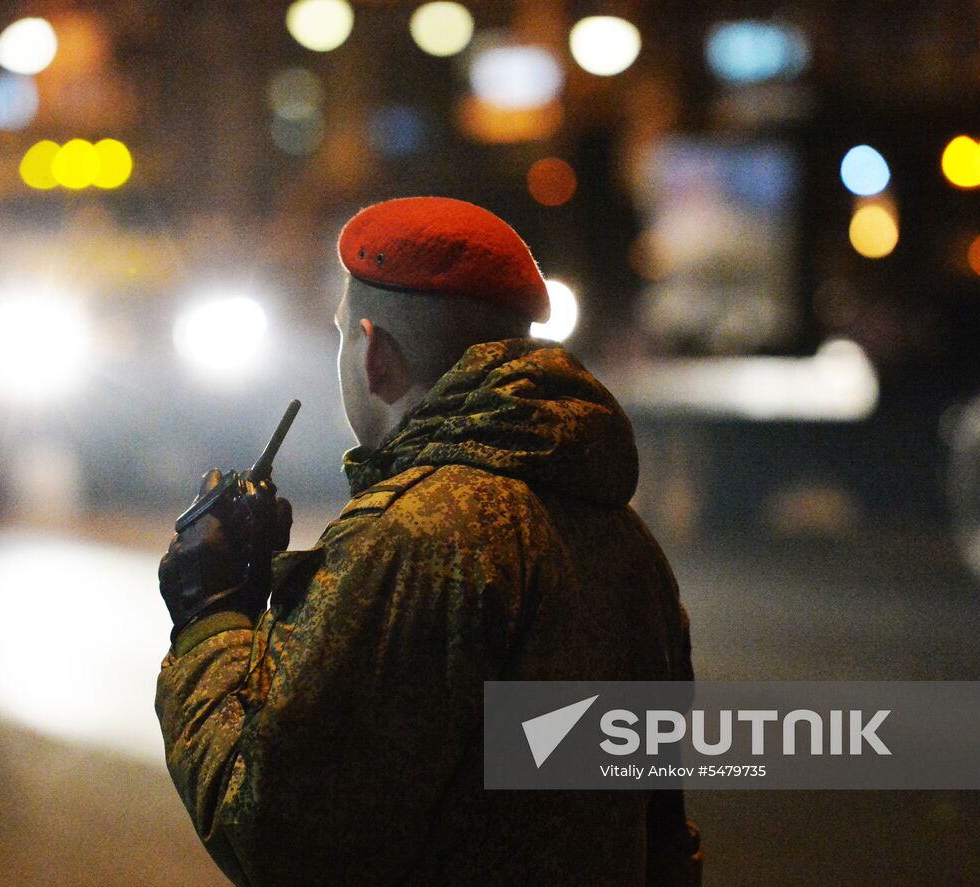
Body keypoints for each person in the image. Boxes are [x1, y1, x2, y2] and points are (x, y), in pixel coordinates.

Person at [156, 196, 700, 886]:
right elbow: (661, 835)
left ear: (375, 354)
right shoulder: (629, 544)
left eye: (342, 336)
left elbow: (273, 830)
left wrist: (211, 620)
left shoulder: (413, 539)